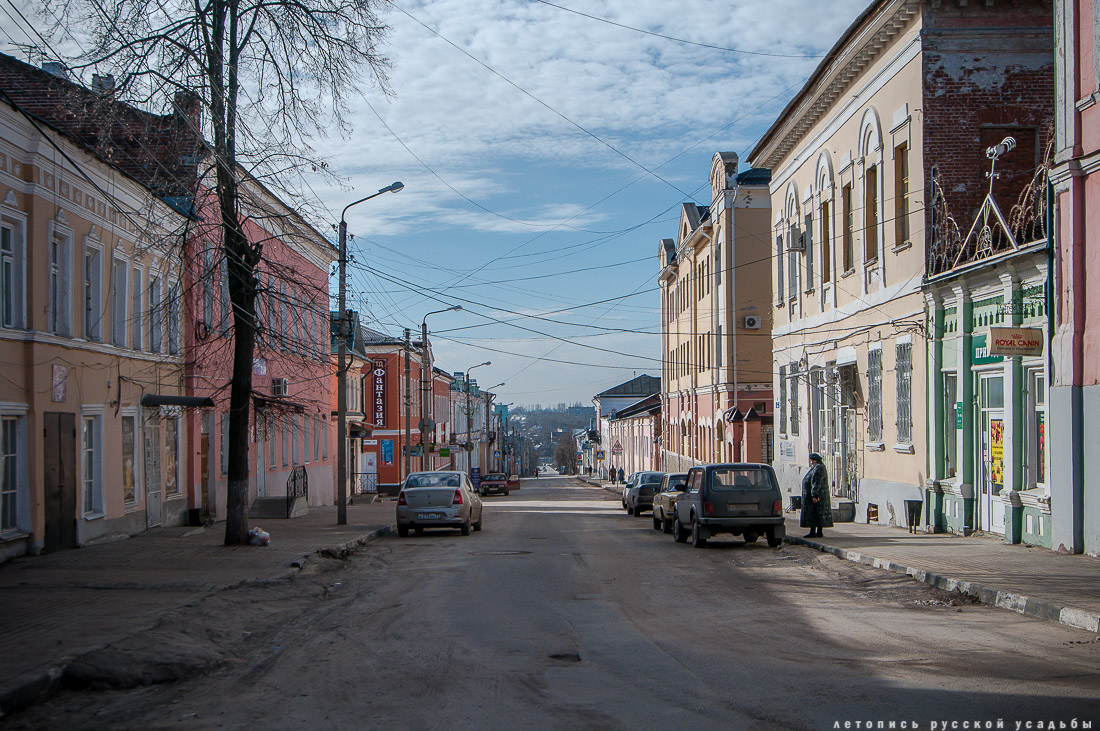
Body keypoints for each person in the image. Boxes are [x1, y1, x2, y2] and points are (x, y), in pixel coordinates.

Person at [800, 452, 833, 538]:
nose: (810, 462)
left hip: (817, 496)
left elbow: (816, 482)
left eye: (811, 460)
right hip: (816, 495)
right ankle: (816, 531)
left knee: (815, 513)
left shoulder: (819, 468)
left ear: (815, 460)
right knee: (815, 513)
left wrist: (814, 494)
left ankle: (815, 531)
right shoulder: (817, 467)